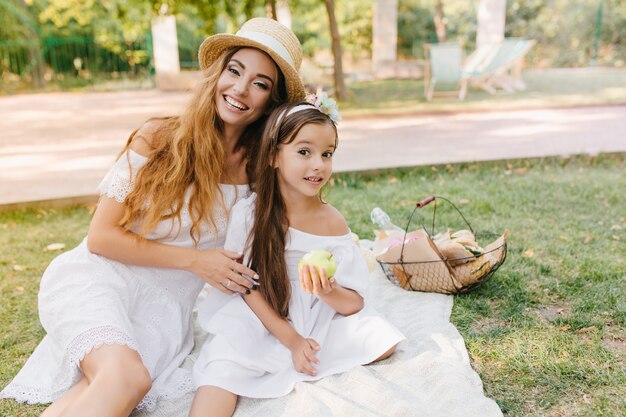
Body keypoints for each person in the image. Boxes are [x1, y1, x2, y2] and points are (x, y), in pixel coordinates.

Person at [0, 17, 305, 417]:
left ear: (272, 100)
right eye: (235, 71)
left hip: (165, 313)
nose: (240, 89)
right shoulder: (159, 137)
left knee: (101, 389)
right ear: (217, 73)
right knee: (126, 378)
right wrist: (196, 261)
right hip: (99, 279)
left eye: (261, 83)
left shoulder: (259, 171)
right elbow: (101, 238)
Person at [189, 97, 406, 417]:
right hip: (260, 311)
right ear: (274, 155)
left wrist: (326, 290)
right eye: (304, 151)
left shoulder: (332, 221)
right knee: (223, 366)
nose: (318, 164)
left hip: (314, 312)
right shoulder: (251, 213)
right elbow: (245, 287)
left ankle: (307, 353)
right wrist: (291, 339)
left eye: (327, 153)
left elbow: (353, 304)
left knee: (383, 339)